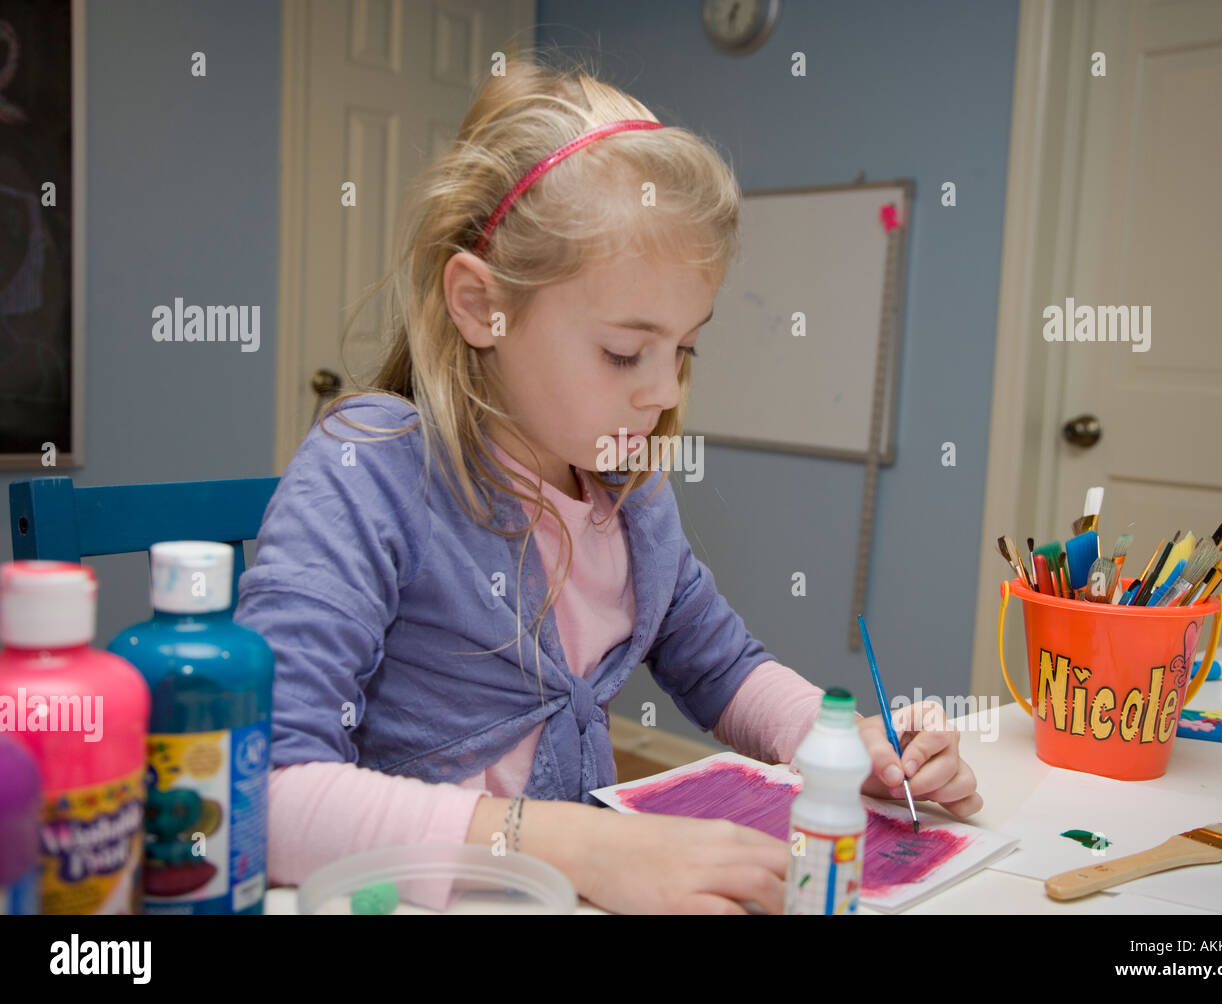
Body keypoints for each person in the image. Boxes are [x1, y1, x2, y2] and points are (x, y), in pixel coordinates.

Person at [234, 53, 981, 915]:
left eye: (684, 348)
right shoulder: (371, 473)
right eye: (626, 351)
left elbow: (725, 666)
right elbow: (266, 794)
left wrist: (845, 749)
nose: (663, 391)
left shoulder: (626, 491)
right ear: (482, 307)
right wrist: (581, 846)